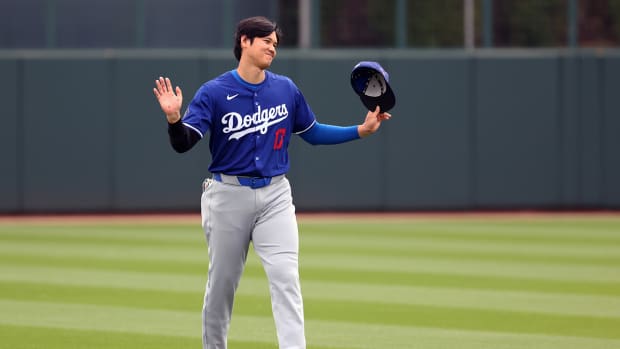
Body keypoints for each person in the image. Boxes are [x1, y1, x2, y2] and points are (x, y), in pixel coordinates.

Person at [153, 16, 391, 349]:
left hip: (276, 196)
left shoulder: (285, 89)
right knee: (222, 286)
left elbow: (313, 133)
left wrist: (359, 130)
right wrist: (174, 119)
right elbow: (183, 143)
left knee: (286, 279)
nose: (272, 47)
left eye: (275, 43)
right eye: (265, 40)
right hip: (227, 195)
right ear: (245, 42)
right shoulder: (214, 92)